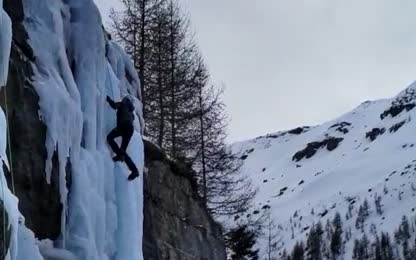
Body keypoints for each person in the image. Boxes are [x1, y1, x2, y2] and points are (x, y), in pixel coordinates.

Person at [106, 95, 139, 181]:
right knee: (123, 150)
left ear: (125, 100)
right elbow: (131, 119)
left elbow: (114, 105)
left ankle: (120, 155)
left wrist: (109, 100)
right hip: (129, 130)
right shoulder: (131, 113)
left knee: (109, 138)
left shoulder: (122, 104)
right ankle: (134, 170)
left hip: (122, 127)